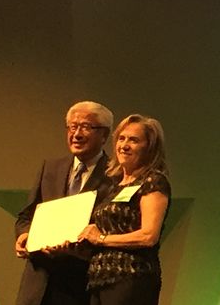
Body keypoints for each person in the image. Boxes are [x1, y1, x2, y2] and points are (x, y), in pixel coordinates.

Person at [15, 101, 116, 305]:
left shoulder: (115, 174)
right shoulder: (51, 168)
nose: (76, 134)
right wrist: (25, 236)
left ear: (104, 135)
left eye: (86, 127)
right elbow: (26, 216)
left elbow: (115, 230)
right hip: (39, 282)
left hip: (80, 285)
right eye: (72, 126)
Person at [77, 114, 171, 305]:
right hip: (99, 279)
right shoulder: (115, 186)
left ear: (149, 147)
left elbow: (148, 236)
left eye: (134, 140)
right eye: (121, 138)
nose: (124, 145)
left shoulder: (153, 181)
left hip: (131, 277)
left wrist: (102, 239)